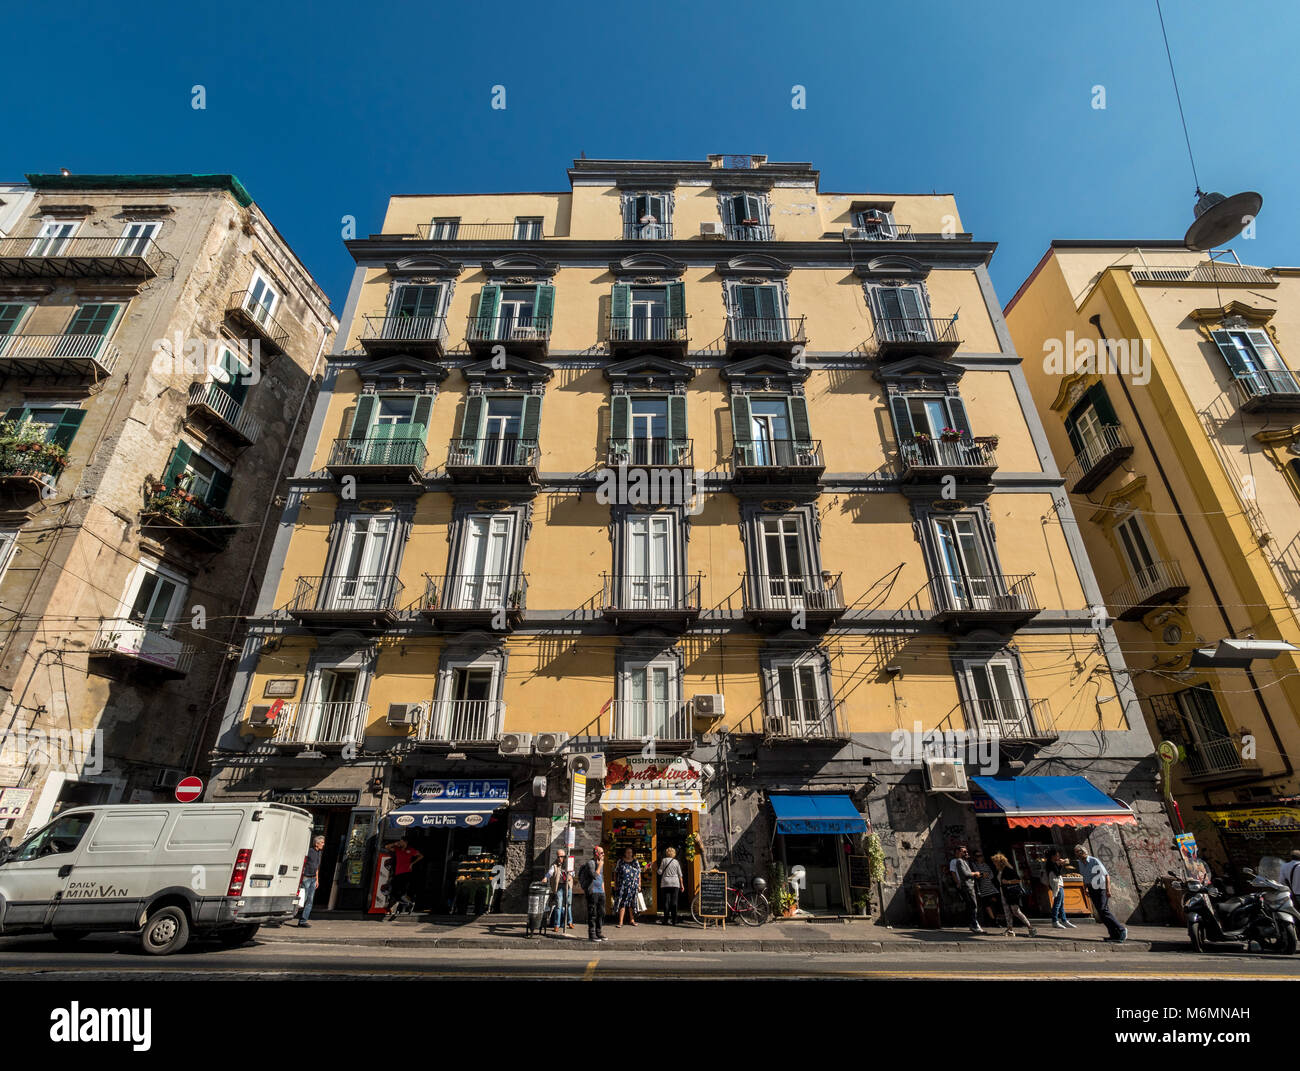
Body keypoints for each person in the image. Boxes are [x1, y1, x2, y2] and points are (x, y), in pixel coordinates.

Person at [1074, 844, 1126, 942]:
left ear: (1084, 853)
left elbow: (1106, 875)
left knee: (1103, 909)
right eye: (1076, 853)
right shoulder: (1080, 863)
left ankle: (1121, 929)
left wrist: (1108, 889)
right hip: (1091, 888)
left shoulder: (1094, 861)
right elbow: (1085, 877)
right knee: (1101, 912)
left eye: (1078, 853)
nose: (1077, 855)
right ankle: (1113, 934)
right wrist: (1085, 888)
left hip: (1101, 888)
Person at [991, 852, 1038, 937]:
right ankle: (1010, 930)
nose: (994, 864)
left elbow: (1018, 880)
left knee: (1016, 911)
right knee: (1007, 912)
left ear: (1000, 862)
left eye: (995, 862)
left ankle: (1031, 928)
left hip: (1011, 893)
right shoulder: (1000, 871)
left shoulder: (1008, 869)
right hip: (1004, 892)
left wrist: (1008, 882)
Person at [948, 845, 984, 934]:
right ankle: (974, 924)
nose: (966, 853)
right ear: (958, 852)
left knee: (971, 905)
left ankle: (974, 924)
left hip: (968, 885)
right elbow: (962, 874)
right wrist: (975, 873)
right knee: (973, 905)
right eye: (964, 852)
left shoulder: (964, 861)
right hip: (966, 886)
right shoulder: (958, 861)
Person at [385, 836, 422, 918]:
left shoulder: (410, 850)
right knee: (394, 891)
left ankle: (405, 904)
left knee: (400, 892)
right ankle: (408, 903)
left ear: (405, 842)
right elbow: (387, 847)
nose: (400, 843)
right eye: (400, 841)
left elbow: (420, 856)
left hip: (406, 873)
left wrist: (412, 864)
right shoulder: (397, 849)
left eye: (401, 841)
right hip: (397, 873)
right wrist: (395, 843)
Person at [577, 845, 607, 942]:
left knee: (601, 913)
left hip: (600, 891)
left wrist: (604, 891)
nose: (603, 854)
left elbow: (601, 877)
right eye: (601, 853)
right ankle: (592, 934)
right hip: (592, 891)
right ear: (596, 854)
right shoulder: (591, 863)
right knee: (593, 913)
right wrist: (600, 866)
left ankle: (599, 932)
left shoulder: (600, 863)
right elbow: (594, 875)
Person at [298, 835, 326, 927]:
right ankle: (285, 917)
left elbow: (316, 867)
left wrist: (317, 880)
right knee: (302, 899)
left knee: (310, 900)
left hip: (313, 878)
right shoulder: (310, 851)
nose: (323, 844)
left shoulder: (319, 853)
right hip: (306, 877)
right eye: (322, 842)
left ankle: (303, 921)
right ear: (316, 843)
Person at [544, 848, 574, 934]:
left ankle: (570, 922)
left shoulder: (568, 863)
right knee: (558, 906)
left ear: (565, 856)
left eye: (562, 856)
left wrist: (570, 875)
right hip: (560, 886)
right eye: (559, 856)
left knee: (568, 904)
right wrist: (546, 878)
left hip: (568, 885)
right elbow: (549, 873)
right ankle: (556, 925)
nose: (560, 858)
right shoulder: (554, 865)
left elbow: (573, 872)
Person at [1044, 848, 1076, 930]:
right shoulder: (1050, 864)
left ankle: (1064, 920)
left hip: (1058, 884)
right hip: (1057, 885)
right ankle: (1055, 921)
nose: (1058, 857)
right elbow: (1057, 873)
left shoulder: (1052, 863)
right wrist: (1061, 864)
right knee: (1057, 904)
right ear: (1053, 856)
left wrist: (1060, 864)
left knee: (1061, 904)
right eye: (1057, 855)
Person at [614, 846, 642, 927]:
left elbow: (639, 873)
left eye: (630, 852)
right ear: (625, 853)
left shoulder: (635, 862)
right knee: (622, 903)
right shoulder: (620, 861)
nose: (629, 854)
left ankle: (632, 920)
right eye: (627, 852)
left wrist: (639, 884)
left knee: (631, 904)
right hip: (622, 886)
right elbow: (616, 872)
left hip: (633, 885)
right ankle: (620, 922)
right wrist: (615, 884)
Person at [972, 850, 1001, 927]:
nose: (980, 857)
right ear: (975, 857)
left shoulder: (986, 865)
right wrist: (982, 874)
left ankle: (996, 918)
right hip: (982, 888)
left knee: (995, 902)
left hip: (991, 887)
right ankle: (994, 921)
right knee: (987, 905)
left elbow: (991, 875)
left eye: (981, 855)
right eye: (978, 856)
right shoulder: (974, 865)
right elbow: (977, 875)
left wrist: (985, 875)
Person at [657, 846, 684, 925]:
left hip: (665, 883)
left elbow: (660, 872)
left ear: (666, 853)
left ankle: (665, 920)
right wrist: (682, 885)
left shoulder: (664, 860)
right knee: (674, 902)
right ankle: (674, 920)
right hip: (675, 883)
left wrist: (655, 868)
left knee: (666, 902)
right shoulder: (676, 862)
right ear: (674, 854)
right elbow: (680, 875)